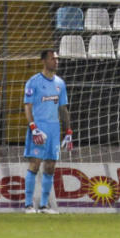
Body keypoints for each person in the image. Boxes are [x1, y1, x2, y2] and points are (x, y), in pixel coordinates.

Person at [22, 48, 72, 213]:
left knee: (50, 166)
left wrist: (69, 132)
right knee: (35, 163)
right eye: (52, 59)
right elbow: (27, 107)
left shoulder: (60, 83)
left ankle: (44, 205)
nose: (56, 61)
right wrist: (33, 128)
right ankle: (28, 204)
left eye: (57, 59)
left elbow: (63, 109)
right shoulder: (33, 81)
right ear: (44, 61)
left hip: (54, 129)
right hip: (39, 127)